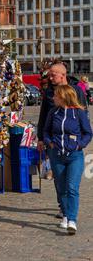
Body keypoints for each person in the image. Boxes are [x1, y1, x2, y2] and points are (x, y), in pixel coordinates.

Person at [37, 62, 87, 218]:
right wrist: (41, 139)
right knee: (59, 178)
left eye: (53, 75)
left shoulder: (77, 90)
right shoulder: (49, 93)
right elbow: (43, 116)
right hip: (54, 141)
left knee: (71, 181)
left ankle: (69, 213)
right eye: (49, 75)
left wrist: (80, 141)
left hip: (72, 142)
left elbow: (84, 113)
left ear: (62, 75)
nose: (50, 77)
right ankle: (62, 206)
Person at [43, 85, 92, 234]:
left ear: (64, 97)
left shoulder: (79, 112)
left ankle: (72, 220)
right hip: (57, 155)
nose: (53, 98)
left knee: (72, 188)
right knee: (62, 188)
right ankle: (65, 215)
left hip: (75, 156)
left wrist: (79, 145)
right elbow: (46, 131)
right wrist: (49, 143)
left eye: (56, 96)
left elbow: (88, 133)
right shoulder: (53, 112)